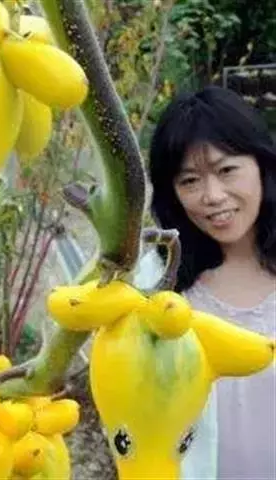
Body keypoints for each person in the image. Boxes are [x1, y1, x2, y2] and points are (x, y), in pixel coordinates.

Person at [148, 85, 276, 479]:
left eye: (226, 170)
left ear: (261, 165)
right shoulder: (158, 283)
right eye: (190, 181)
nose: (213, 196)